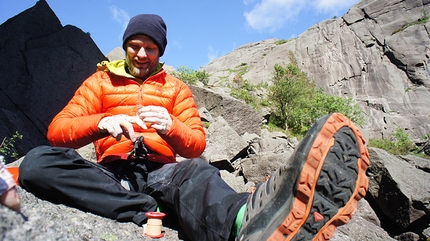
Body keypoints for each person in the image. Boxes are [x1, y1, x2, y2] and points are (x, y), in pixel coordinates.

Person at [18, 14, 370, 241]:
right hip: (111, 171)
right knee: (38, 163)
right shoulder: (99, 82)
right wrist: (102, 122)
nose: (142, 54)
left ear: (160, 52)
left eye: (150, 48)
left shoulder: (175, 88)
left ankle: (245, 222)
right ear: (125, 46)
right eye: (135, 46)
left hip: (162, 172)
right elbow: (57, 131)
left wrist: (171, 126)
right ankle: (155, 209)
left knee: (197, 172)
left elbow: (196, 144)